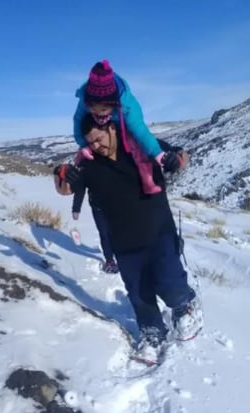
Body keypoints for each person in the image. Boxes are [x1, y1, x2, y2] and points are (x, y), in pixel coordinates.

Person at [54, 113, 202, 366]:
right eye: (90, 142)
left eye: (98, 139)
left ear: (111, 128)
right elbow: (64, 189)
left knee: (170, 284)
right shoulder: (89, 165)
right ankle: (153, 334)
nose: (95, 146)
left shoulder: (143, 146)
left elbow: (181, 156)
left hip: (159, 233)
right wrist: (61, 172)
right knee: (139, 295)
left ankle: (185, 306)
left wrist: (178, 161)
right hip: (125, 243)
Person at [72, 60, 177, 195]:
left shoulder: (128, 106)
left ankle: (148, 181)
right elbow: (77, 121)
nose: (98, 113)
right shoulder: (85, 102)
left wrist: (157, 153)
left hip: (121, 123)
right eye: (93, 108)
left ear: (113, 103)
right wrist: (84, 144)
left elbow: (140, 130)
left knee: (137, 147)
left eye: (103, 109)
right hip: (103, 131)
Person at [71, 183, 118, 273]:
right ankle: (110, 261)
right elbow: (81, 186)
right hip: (97, 207)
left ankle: (123, 257)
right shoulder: (87, 169)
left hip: (116, 205)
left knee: (116, 232)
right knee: (104, 233)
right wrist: (76, 208)